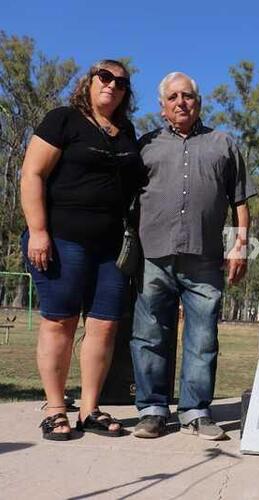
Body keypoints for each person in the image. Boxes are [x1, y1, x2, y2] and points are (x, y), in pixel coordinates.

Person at [131, 72, 257, 440]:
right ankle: (153, 410)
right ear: (162, 106)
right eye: (173, 97)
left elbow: (239, 201)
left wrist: (241, 245)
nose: (181, 102)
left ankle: (196, 411)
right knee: (149, 334)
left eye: (187, 96)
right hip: (153, 254)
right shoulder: (146, 145)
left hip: (205, 257)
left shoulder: (223, 143)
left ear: (198, 102)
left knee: (202, 337)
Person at [20, 60, 140, 440]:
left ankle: (90, 408)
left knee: (104, 326)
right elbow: (32, 174)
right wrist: (38, 231)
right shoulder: (63, 120)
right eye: (105, 77)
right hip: (61, 239)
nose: (113, 85)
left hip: (110, 248)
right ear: (89, 82)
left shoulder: (126, 132)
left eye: (121, 82)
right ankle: (56, 407)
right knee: (61, 321)